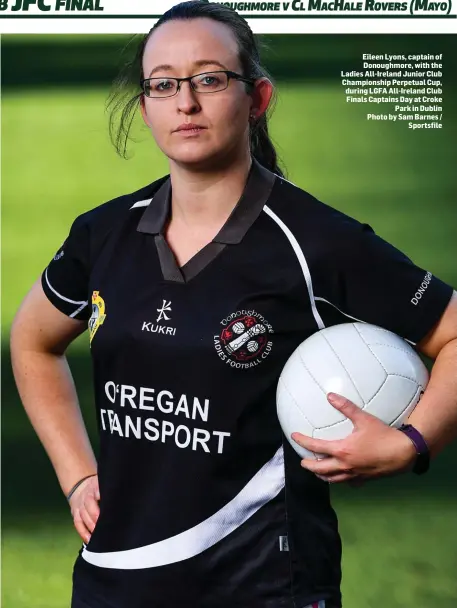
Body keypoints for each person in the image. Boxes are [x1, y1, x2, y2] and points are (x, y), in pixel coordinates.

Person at [10, 2, 457, 607]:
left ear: (258, 98)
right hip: (113, 581)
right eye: (164, 85)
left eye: (210, 79)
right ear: (145, 107)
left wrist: (412, 441)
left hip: (265, 586)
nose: (185, 103)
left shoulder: (317, 242)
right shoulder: (103, 234)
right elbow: (33, 341)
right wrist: (78, 477)